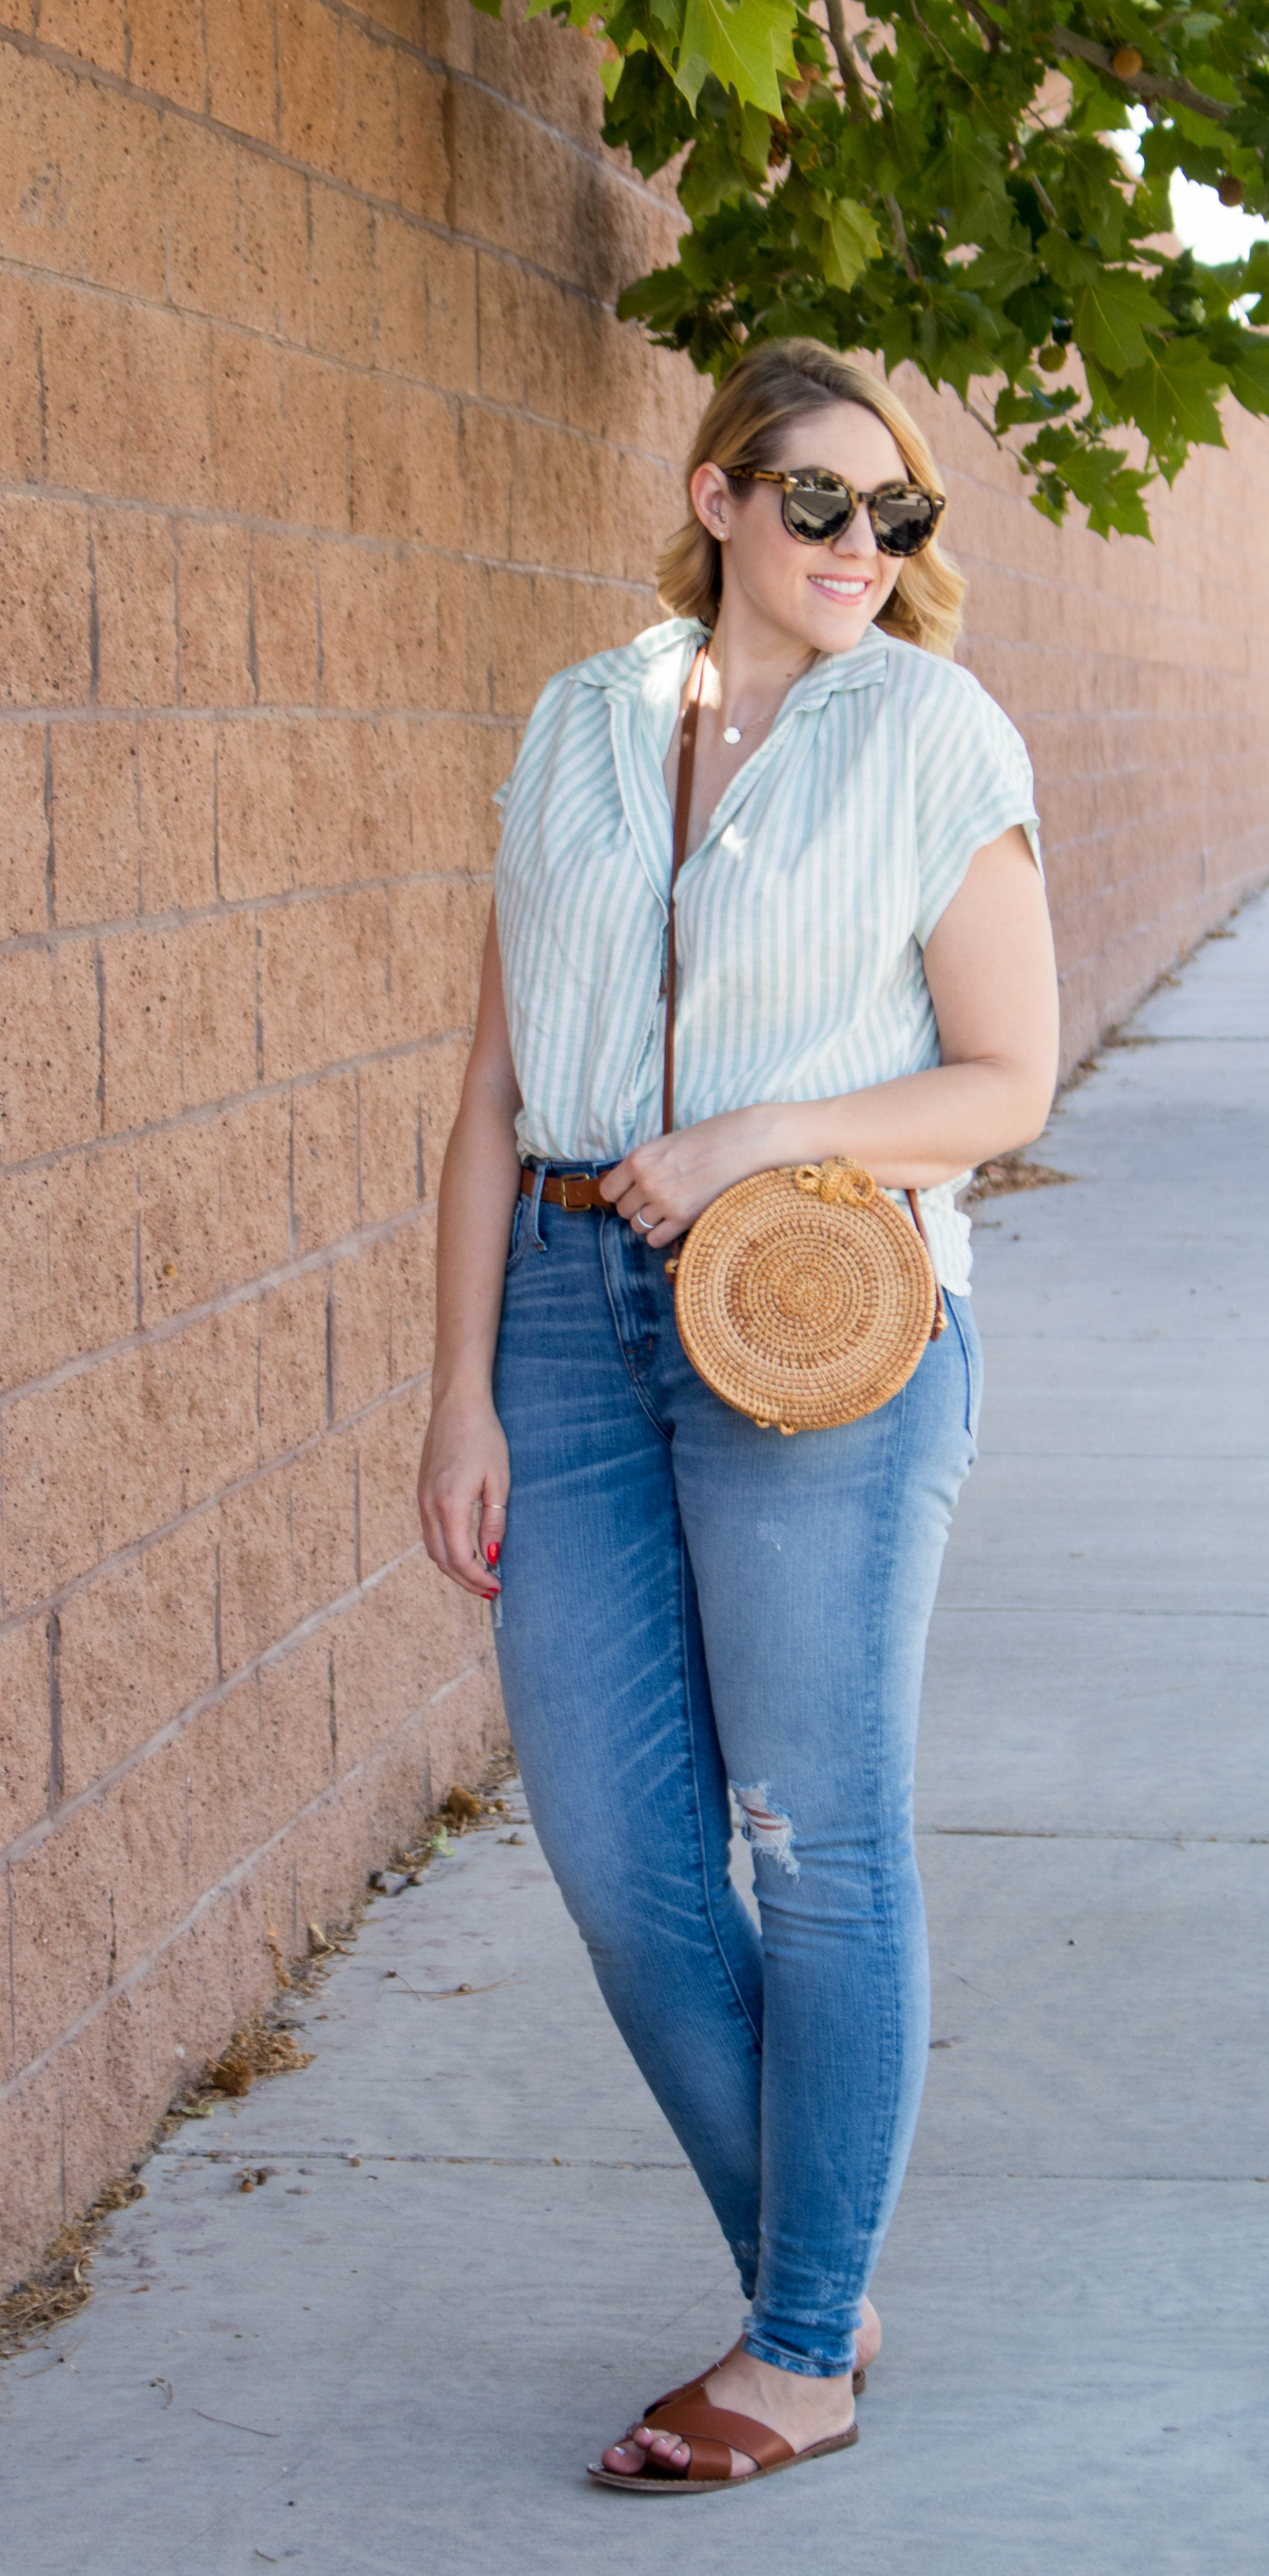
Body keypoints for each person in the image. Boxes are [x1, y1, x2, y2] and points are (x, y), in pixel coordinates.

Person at [417, 337, 1059, 2494]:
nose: (861, 548)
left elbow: (1006, 1081)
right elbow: (495, 1093)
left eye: (898, 519)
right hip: (568, 1323)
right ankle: (823, 2270)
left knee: (819, 1843)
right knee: (619, 1860)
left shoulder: (932, 733)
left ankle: (798, 2346)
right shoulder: (579, 723)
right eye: (818, 503)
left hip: (824, 1326)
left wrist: (764, 1128)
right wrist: (456, 1394)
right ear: (715, 500)